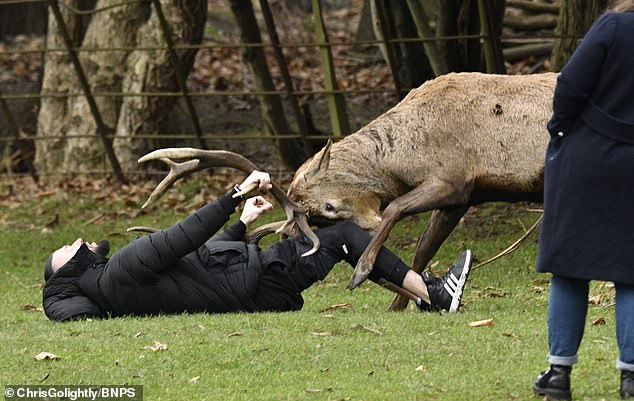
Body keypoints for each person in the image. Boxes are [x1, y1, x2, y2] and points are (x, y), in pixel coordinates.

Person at [42, 170, 473, 322]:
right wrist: (234, 193)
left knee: (341, 245)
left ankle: (423, 295)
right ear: (69, 270)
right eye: (63, 249)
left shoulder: (116, 288)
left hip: (246, 284)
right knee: (344, 236)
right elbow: (184, 235)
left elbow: (192, 269)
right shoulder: (120, 269)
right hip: (257, 279)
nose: (72, 241)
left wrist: (241, 223)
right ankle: (433, 294)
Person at [533, 1, 634, 399]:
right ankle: (631, 380)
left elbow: (570, 86)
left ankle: (558, 375)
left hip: (586, 159)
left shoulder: (612, 26)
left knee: (570, 268)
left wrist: (560, 131)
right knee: (632, 273)